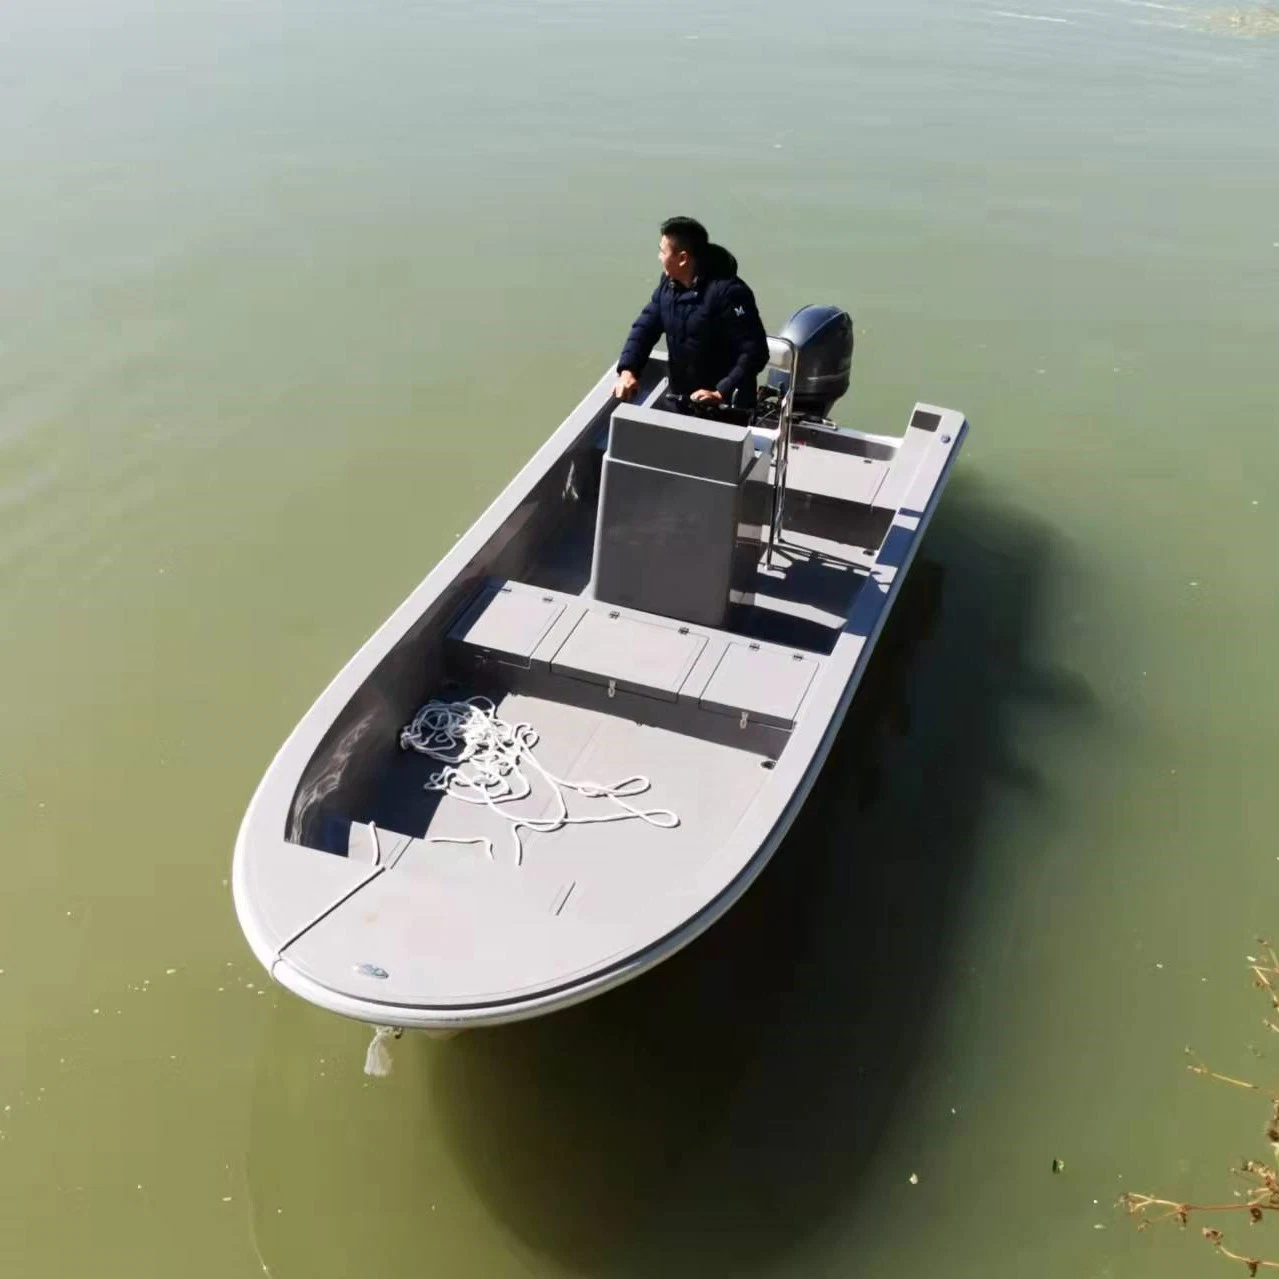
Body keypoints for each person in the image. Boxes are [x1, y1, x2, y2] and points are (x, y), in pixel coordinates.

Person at [613, 216, 769, 415]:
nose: (659, 257)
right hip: (682, 400)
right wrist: (628, 370)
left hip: (724, 407)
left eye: (662, 251)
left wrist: (721, 391)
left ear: (683, 258)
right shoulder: (668, 285)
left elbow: (755, 351)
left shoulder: (729, 293)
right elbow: (645, 327)